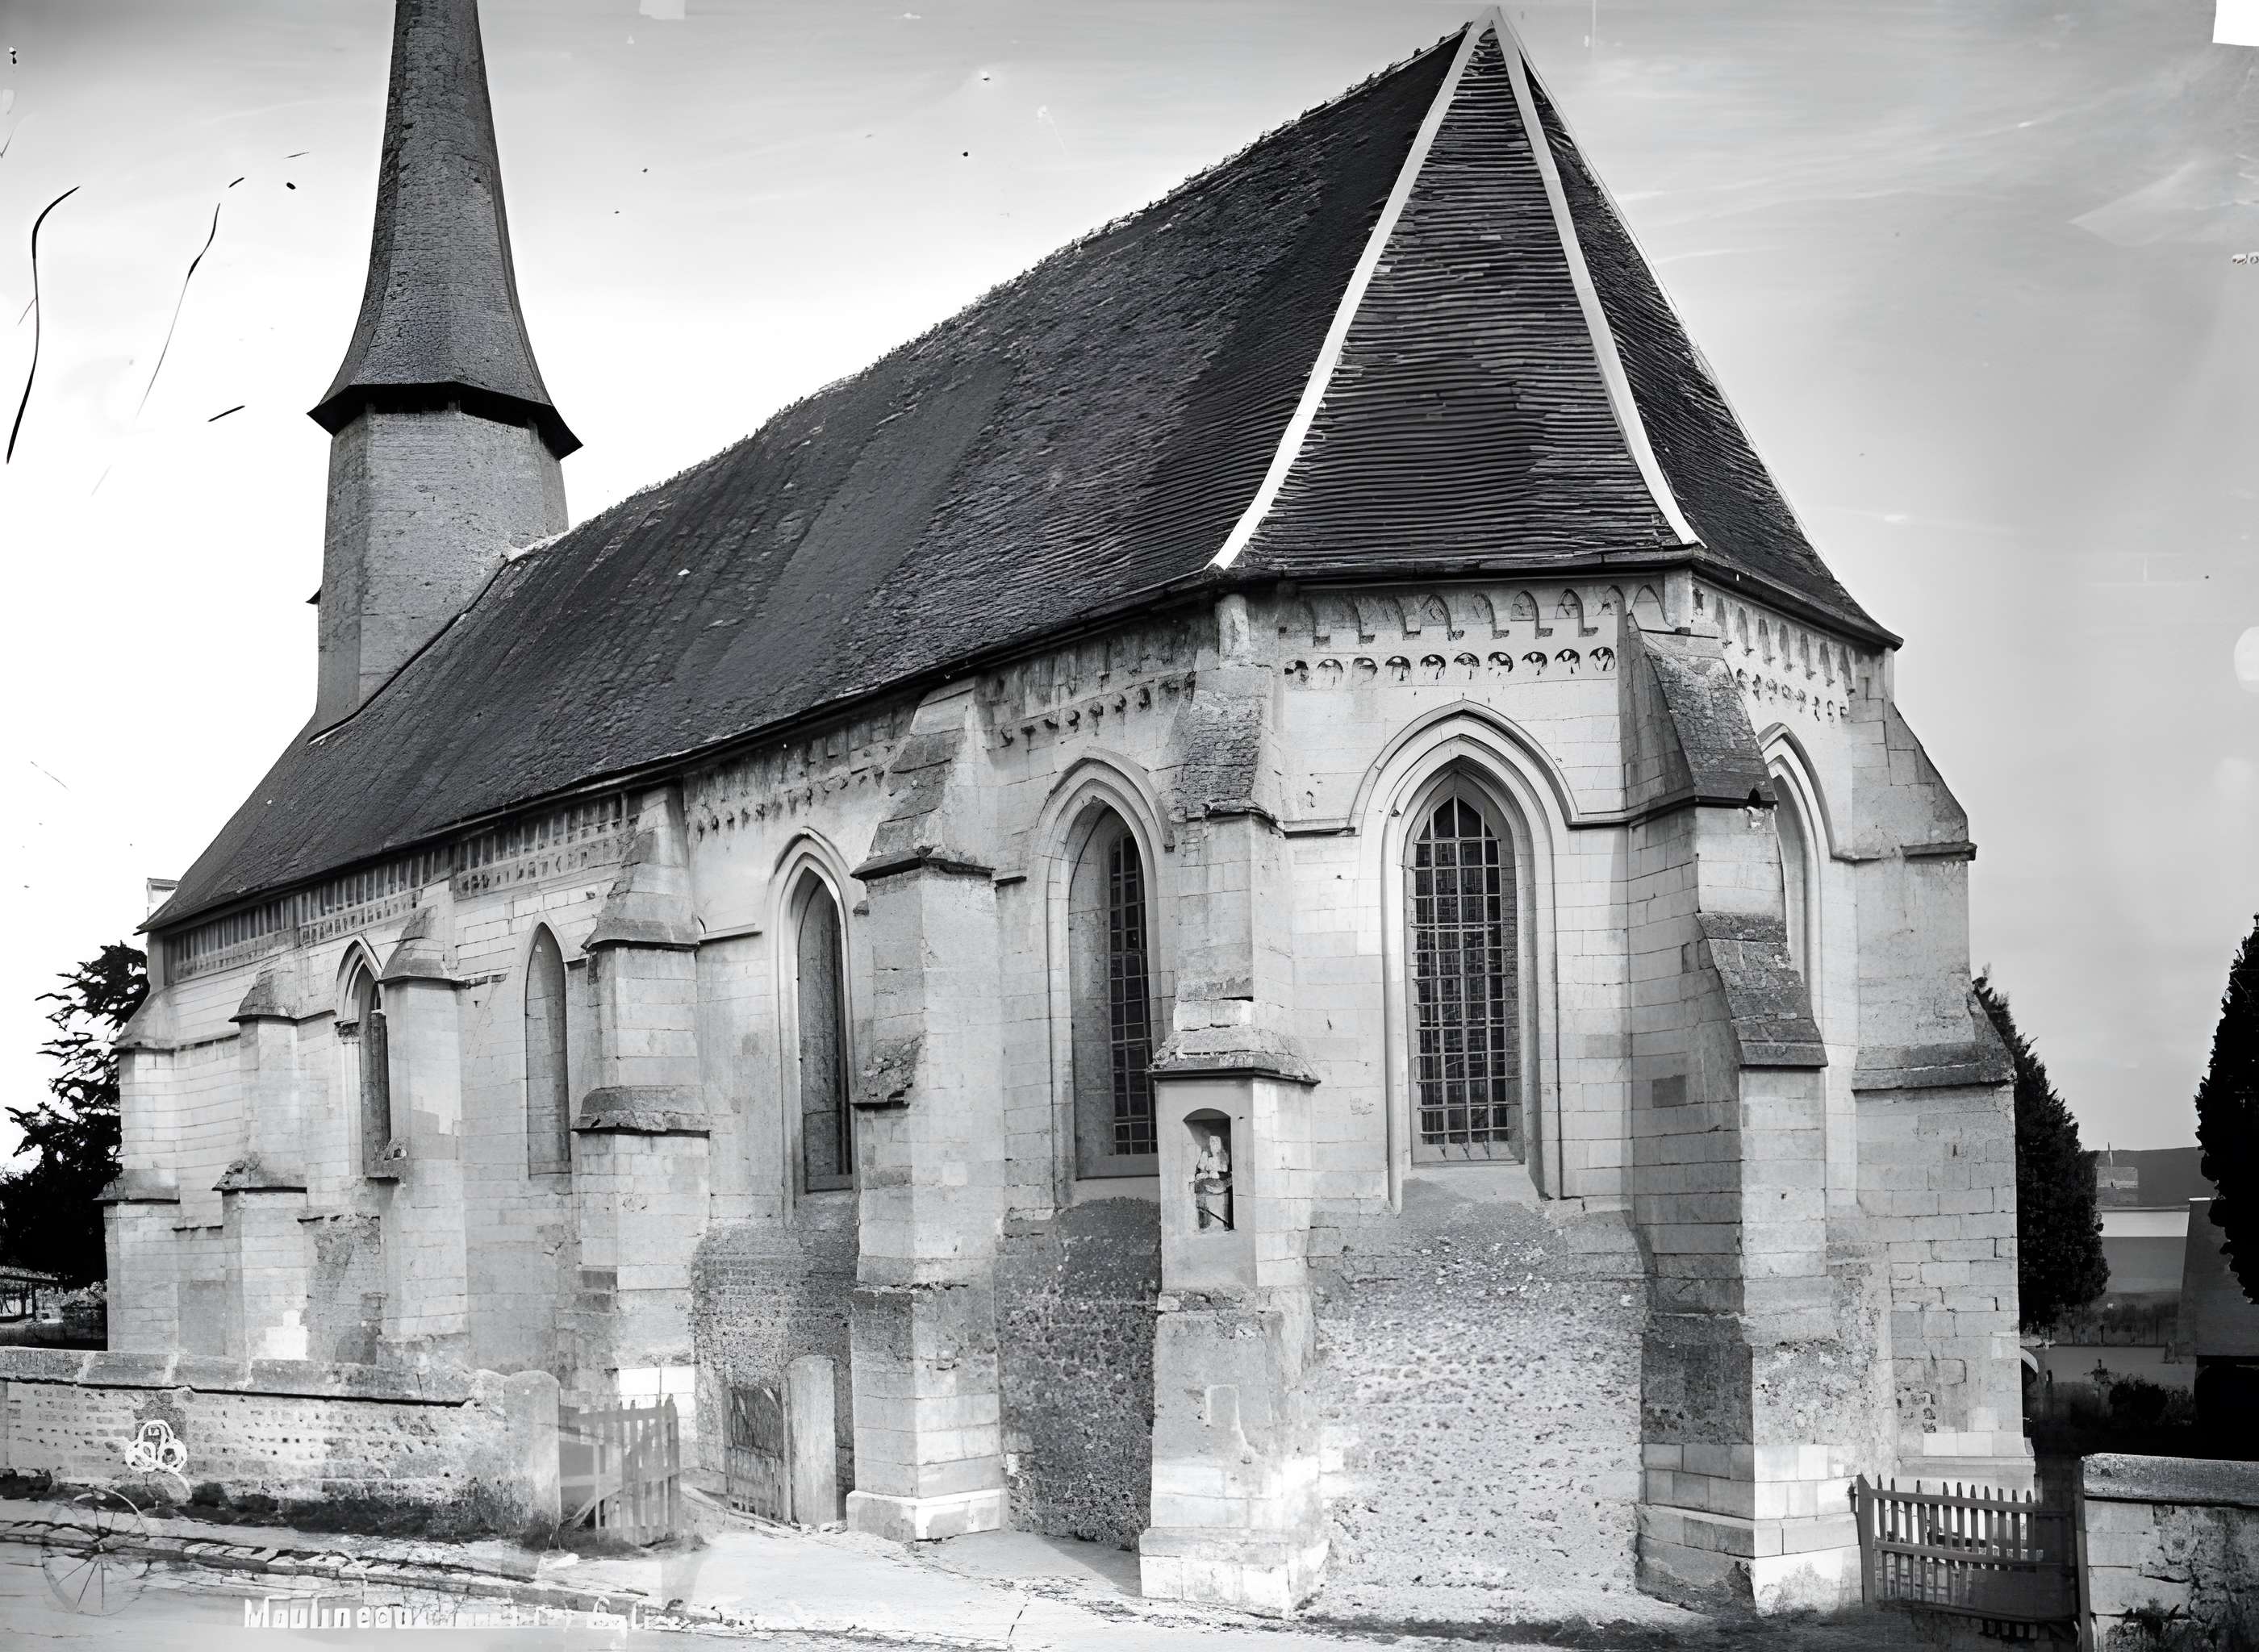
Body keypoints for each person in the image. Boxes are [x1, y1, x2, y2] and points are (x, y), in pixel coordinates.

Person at [1193, 1128, 1233, 1231]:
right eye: (1211, 1142)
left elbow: (1228, 1174)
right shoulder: (1205, 1155)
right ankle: (1205, 1222)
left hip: (1221, 1186)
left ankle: (1221, 1223)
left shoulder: (1225, 1156)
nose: (1213, 1144)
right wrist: (1203, 1174)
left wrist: (1219, 1176)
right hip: (1207, 1186)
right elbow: (1201, 1169)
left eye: (1215, 1142)